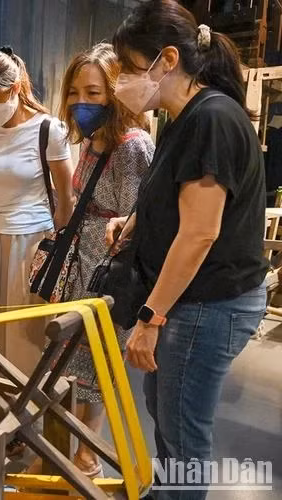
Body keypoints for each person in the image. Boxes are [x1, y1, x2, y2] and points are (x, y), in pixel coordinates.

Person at [110, 1, 267, 497]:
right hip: (191, 302)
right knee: (168, 417)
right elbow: (173, 197)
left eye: (132, 69)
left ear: (168, 60)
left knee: (184, 435)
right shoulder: (183, 118)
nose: (124, 84)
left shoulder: (212, 118)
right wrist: (134, 222)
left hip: (206, 305)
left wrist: (150, 317)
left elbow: (201, 232)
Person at [56, 43, 154, 477]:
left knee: (99, 361)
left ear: (115, 93)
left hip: (110, 268)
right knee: (75, 357)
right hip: (83, 260)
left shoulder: (132, 146)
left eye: (93, 92)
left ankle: (89, 451)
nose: (82, 101)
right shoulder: (93, 141)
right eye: (75, 91)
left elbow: (137, 219)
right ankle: (75, 441)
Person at [0, 47, 74, 377]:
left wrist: (48, 241)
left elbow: (66, 199)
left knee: (23, 327)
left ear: (14, 87)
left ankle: (24, 399)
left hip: (32, 242)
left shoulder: (50, 130)